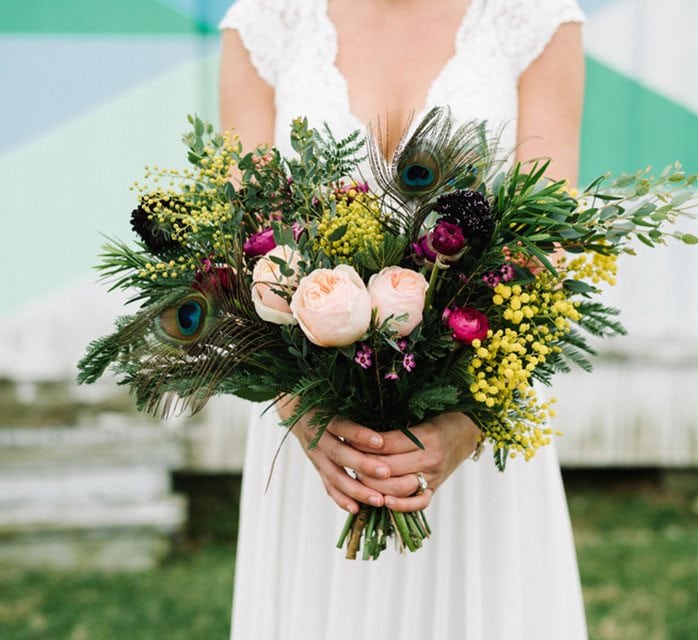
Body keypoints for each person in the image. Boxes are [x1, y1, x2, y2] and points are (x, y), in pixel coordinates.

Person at [219, 0, 588, 637]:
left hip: (475, 421)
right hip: (312, 432)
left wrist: (467, 426)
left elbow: (546, 244)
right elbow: (239, 244)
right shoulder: (265, 21)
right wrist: (302, 413)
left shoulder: (535, 17)